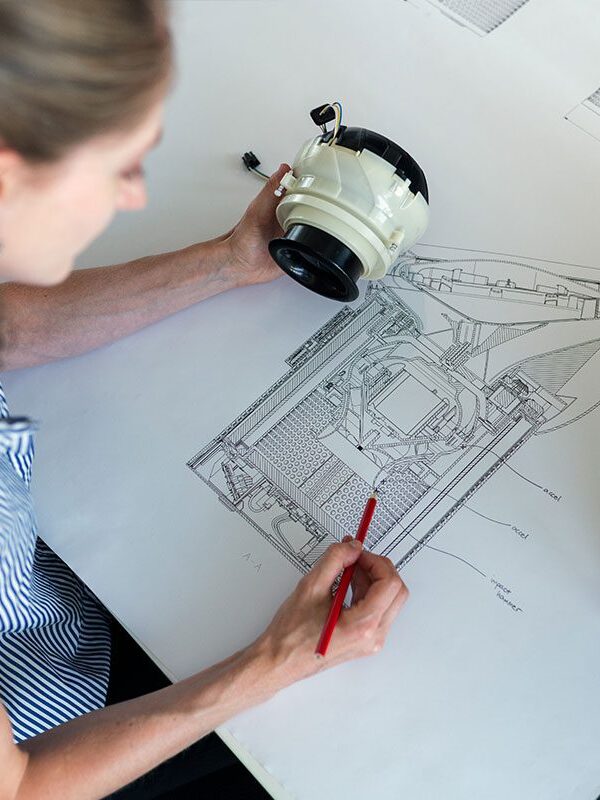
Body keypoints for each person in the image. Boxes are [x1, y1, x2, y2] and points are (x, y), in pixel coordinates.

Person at [0, 1, 409, 798]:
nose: (133, 198)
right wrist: (279, 660)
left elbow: (5, 328)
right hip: (52, 732)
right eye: (121, 165)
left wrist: (230, 262)